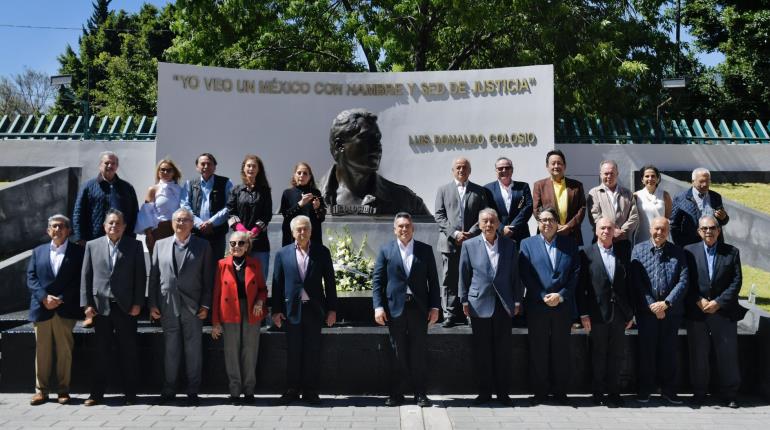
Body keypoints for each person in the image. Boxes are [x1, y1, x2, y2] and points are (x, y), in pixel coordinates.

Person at [372, 212, 440, 407]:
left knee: (418, 353)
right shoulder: (386, 250)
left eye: (407, 226)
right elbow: (378, 282)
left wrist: (435, 307)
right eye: (400, 226)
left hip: (419, 309)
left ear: (413, 228)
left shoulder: (425, 250)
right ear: (394, 229)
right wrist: (378, 307)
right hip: (395, 310)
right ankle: (396, 393)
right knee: (397, 352)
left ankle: (420, 394)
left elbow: (433, 282)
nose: (404, 229)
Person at [148, 208, 214, 407]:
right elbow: (154, 277)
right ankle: (169, 390)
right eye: (177, 220)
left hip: (193, 306)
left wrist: (205, 304)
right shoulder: (160, 245)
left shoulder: (203, 246)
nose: (181, 223)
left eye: (185, 220)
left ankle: (193, 391)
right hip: (167, 305)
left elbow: (208, 279)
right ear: (172, 223)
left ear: (192, 224)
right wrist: (152, 304)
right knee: (171, 350)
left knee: (193, 350)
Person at [80, 209, 145, 406]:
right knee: (101, 352)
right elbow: (86, 276)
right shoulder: (92, 245)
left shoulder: (134, 246)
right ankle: (96, 394)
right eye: (110, 223)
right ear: (104, 226)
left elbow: (140, 277)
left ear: (124, 226)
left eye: (118, 223)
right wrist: (86, 305)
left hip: (126, 308)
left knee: (129, 352)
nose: (114, 226)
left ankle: (131, 395)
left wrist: (138, 303)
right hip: (101, 308)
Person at [272, 215, 337, 405]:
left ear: (311, 231)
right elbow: (277, 284)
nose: (302, 232)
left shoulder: (322, 252)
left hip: (315, 310)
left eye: (305, 229)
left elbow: (331, 283)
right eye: (298, 229)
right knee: (293, 352)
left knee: (312, 352)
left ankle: (310, 391)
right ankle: (292, 390)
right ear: (292, 232)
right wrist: (275, 311)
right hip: (291, 311)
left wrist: (332, 309)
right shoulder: (282, 254)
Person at [459, 208, 521, 406]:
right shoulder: (469, 245)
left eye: (492, 221)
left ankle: (503, 394)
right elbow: (463, 274)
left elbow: (515, 275)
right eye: (484, 221)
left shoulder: (510, 245)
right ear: (479, 224)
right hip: (479, 304)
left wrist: (517, 300)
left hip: (504, 304)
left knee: (503, 352)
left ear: (498, 223)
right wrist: (464, 300)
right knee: (482, 352)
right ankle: (484, 393)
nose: (488, 225)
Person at [519, 206, 580, 405]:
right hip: (538, 305)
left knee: (561, 350)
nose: (547, 223)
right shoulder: (527, 244)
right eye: (543, 220)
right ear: (538, 223)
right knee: (539, 350)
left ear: (557, 223)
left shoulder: (570, 244)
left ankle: (560, 391)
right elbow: (525, 274)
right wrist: (543, 295)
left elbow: (575, 273)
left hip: (562, 306)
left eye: (551, 220)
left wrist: (561, 295)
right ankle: (540, 392)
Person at [684, 215, 745, 408]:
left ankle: (730, 394)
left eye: (712, 228)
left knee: (727, 354)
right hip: (698, 311)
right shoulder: (688, 252)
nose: (708, 231)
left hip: (723, 312)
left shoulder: (732, 252)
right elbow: (686, 280)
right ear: (698, 232)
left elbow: (736, 282)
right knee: (698, 354)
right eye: (704, 229)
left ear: (719, 230)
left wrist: (718, 302)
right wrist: (698, 300)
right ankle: (699, 393)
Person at [319, 109, 429, 215]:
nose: (377, 146)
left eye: (377, 139)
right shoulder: (311, 197)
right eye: (366, 138)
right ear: (339, 146)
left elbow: (431, 233)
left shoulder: (407, 201)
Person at [26, 214, 84, 406]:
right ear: (48, 230)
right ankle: (40, 391)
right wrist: (44, 297)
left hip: (64, 308)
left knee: (64, 351)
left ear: (68, 230)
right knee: (42, 351)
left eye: (61, 226)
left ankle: (63, 390)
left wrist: (59, 299)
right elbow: (31, 278)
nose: (57, 229)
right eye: (53, 226)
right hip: (42, 308)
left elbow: (80, 280)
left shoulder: (78, 252)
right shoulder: (38, 251)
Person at [630, 216, 688, 404]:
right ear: (650, 229)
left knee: (669, 352)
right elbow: (636, 281)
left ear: (668, 231)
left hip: (671, 312)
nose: (659, 233)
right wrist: (652, 305)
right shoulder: (638, 250)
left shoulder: (678, 252)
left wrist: (667, 303)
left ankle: (669, 390)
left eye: (663, 229)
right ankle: (645, 389)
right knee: (646, 351)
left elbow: (683, 280)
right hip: (647, 312)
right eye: (656, 229)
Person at [577, 217, 634, 407]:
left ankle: (614, 392)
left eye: (610, 228)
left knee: (617, 355)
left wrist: (630, 313)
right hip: (596, 314)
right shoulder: (586, 253)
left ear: (615, 231)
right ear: (596, 231)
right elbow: (581, 287)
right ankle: (598, 392)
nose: (606, 231)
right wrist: (583, 313)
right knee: (598, 354)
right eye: (602, 228)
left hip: (619, 314)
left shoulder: (623, 252)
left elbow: (629, 286)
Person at [434, 157, 493, 327]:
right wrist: (455, 233)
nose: (461, 170)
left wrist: (472, 232)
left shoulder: (479, 191)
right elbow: (439, 215)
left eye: (464, 167)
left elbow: (485, 214)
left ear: (469, 170)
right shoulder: (443, 190)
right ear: (453, 170)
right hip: (449, 243)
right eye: (458, 167)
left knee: (472, 278)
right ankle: (449, 314)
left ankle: (471, 313)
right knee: (449, 280)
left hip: (473, 243)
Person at [211, 231, 268, 405]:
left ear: (247, 246)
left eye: (241, 243)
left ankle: (249, 391)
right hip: (229, 310)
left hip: (251, 310)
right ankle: (235, 391)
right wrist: (215, 322)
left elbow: (263, 289)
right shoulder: (222, 264)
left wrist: (260, 301)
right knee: (231, 351)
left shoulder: (255, 264)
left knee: (250, 351)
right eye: (233, 243)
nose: (236, 246)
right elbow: (216, 294)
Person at [72, 151, 139, 245]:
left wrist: (131, 237)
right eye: (106, 163)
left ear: (117, 166)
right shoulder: (87, 187)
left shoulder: (127, 188)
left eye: (113, 163)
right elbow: (78, 213)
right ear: (100, 165)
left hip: (121, 241)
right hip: (93, 240)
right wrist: (79, 238)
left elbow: (134, 214)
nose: (110, 166)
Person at [181, 153, 234, 261]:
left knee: (216, 266)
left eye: (209, 164)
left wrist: (211, 222)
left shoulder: (226, 183)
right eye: (202, 164)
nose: (206, 166)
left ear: (215, 167)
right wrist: (199, 224)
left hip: (217, 233)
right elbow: (185, 206)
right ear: (197, 167)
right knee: (195, 266)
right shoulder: (189, 184)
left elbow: (230, 205)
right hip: (195, 233)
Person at [227, 154, 272, 281]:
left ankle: (260, 302)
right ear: (244, 168)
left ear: (258, 170)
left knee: (260, 278)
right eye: (248, 166)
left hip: (259, 242)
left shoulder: (265, 191)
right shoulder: (236, 190)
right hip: (239, 243)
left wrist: (253, 232)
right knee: (239, 279)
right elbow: (231, 213)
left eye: (254, 166)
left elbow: (267, 214)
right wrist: (242, 231)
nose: (251, 169)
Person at [532, 149, 587, 245]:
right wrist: (553, 225)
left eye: (559, 163)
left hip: (571, 233)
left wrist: (569, 226)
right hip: (547, 233)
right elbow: (537, 209)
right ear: (547, 166)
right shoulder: (539, 185)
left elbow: (582, 208)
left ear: (564, 166)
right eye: (553, 163)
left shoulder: (577, 186)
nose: (556, 166)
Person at [670, 167, 729, 247]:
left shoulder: (716, 197)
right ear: (693, 182)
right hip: (690, 245)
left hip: (714, 244)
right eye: (701, 181)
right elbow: (673, 225)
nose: (705, 184)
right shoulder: (680, 198)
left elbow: (722, 221)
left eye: (707, 181)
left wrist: (724, 217)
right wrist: (680, 245)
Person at [136, 158, 184, 254]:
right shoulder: (153, 189)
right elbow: (146, 213)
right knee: (157, 264)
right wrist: (149, 234)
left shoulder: (180, 189)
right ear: (158, 172)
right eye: (162, 169)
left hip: (177, 229)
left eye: (169, 170)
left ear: (174, 172)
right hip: (158, 230)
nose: (165, 172)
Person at [587, 160, 638, 245]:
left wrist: (622, 231)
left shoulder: (627, 193)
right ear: (600, 174)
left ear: (617, 174)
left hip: (623, 240)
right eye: (606, 173)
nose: (609, 176)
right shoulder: (594, 193)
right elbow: (595, 215)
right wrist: (611, 231)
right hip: (602, 241)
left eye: (612, 173)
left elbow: (634, 216)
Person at [484, 156, 533, 243]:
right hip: (498, 235)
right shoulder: (487, 189)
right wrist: (501, 228)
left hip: (521, 234)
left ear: (512, 170)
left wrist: (513, 226)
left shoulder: (523, 187)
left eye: (507, 168)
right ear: (496, 171)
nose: (504, 170)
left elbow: (528, 207)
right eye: (500, 168)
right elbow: (488, 211)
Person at [279, 162, 326, 246]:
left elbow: (321, 218)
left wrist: (318, 207)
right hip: (292, 238)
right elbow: (285, 215)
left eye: (305, 173)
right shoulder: (287, 193)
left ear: (309, 177)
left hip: (312, 238)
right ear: (294, 175)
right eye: (299, 173)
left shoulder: (315, 193)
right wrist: (300, 204)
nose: (302, 175)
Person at [634, 165, 672, 244]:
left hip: (661, 237)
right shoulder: (636, 196)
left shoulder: (665, 195)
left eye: (653, 176)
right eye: (647, 176)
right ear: (642, 179)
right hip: (642, 238)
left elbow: (668, 218)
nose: (650, 179)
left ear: (657, 179)